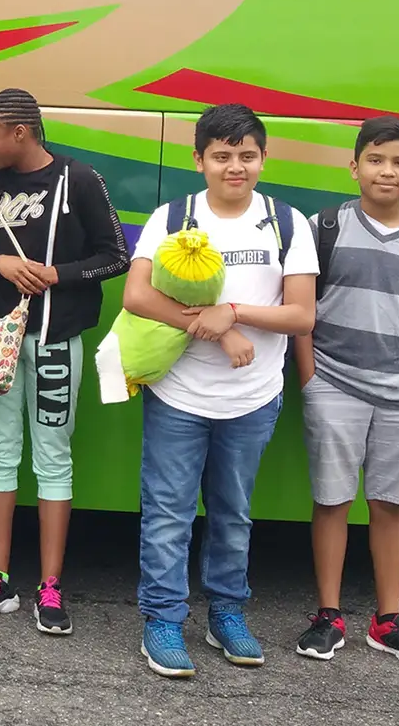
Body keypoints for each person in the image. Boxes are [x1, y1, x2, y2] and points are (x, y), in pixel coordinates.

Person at [125, 103, 316, 678]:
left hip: (252, 398)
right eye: (222, 156)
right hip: (179, 395)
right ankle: (163, 620)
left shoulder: (287, 222)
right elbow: (137, 296)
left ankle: (226, 613)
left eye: (247, 155)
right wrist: (218, 329)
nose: (236, 167)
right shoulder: (172, 216)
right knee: (168, 514)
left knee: (233, 515)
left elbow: (301, 315)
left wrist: (232, 311)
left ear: (263, 158)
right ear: (199, 160)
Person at [0, 89, 127, 634]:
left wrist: (58, 274)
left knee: (53, 458)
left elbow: (116, 256)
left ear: (21, 132)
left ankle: (50, 586)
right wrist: (1, 263)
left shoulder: (80, 179)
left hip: (56, 341)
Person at [293, 117, 399, 670]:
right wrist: (311, 380)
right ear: (354, 166)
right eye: (376, 159)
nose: (388, 171)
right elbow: (301, 311)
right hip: (334, 385)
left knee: (390, 505)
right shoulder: (323, 227)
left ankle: (388, 622)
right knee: (332, 501)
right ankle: (328, 616)